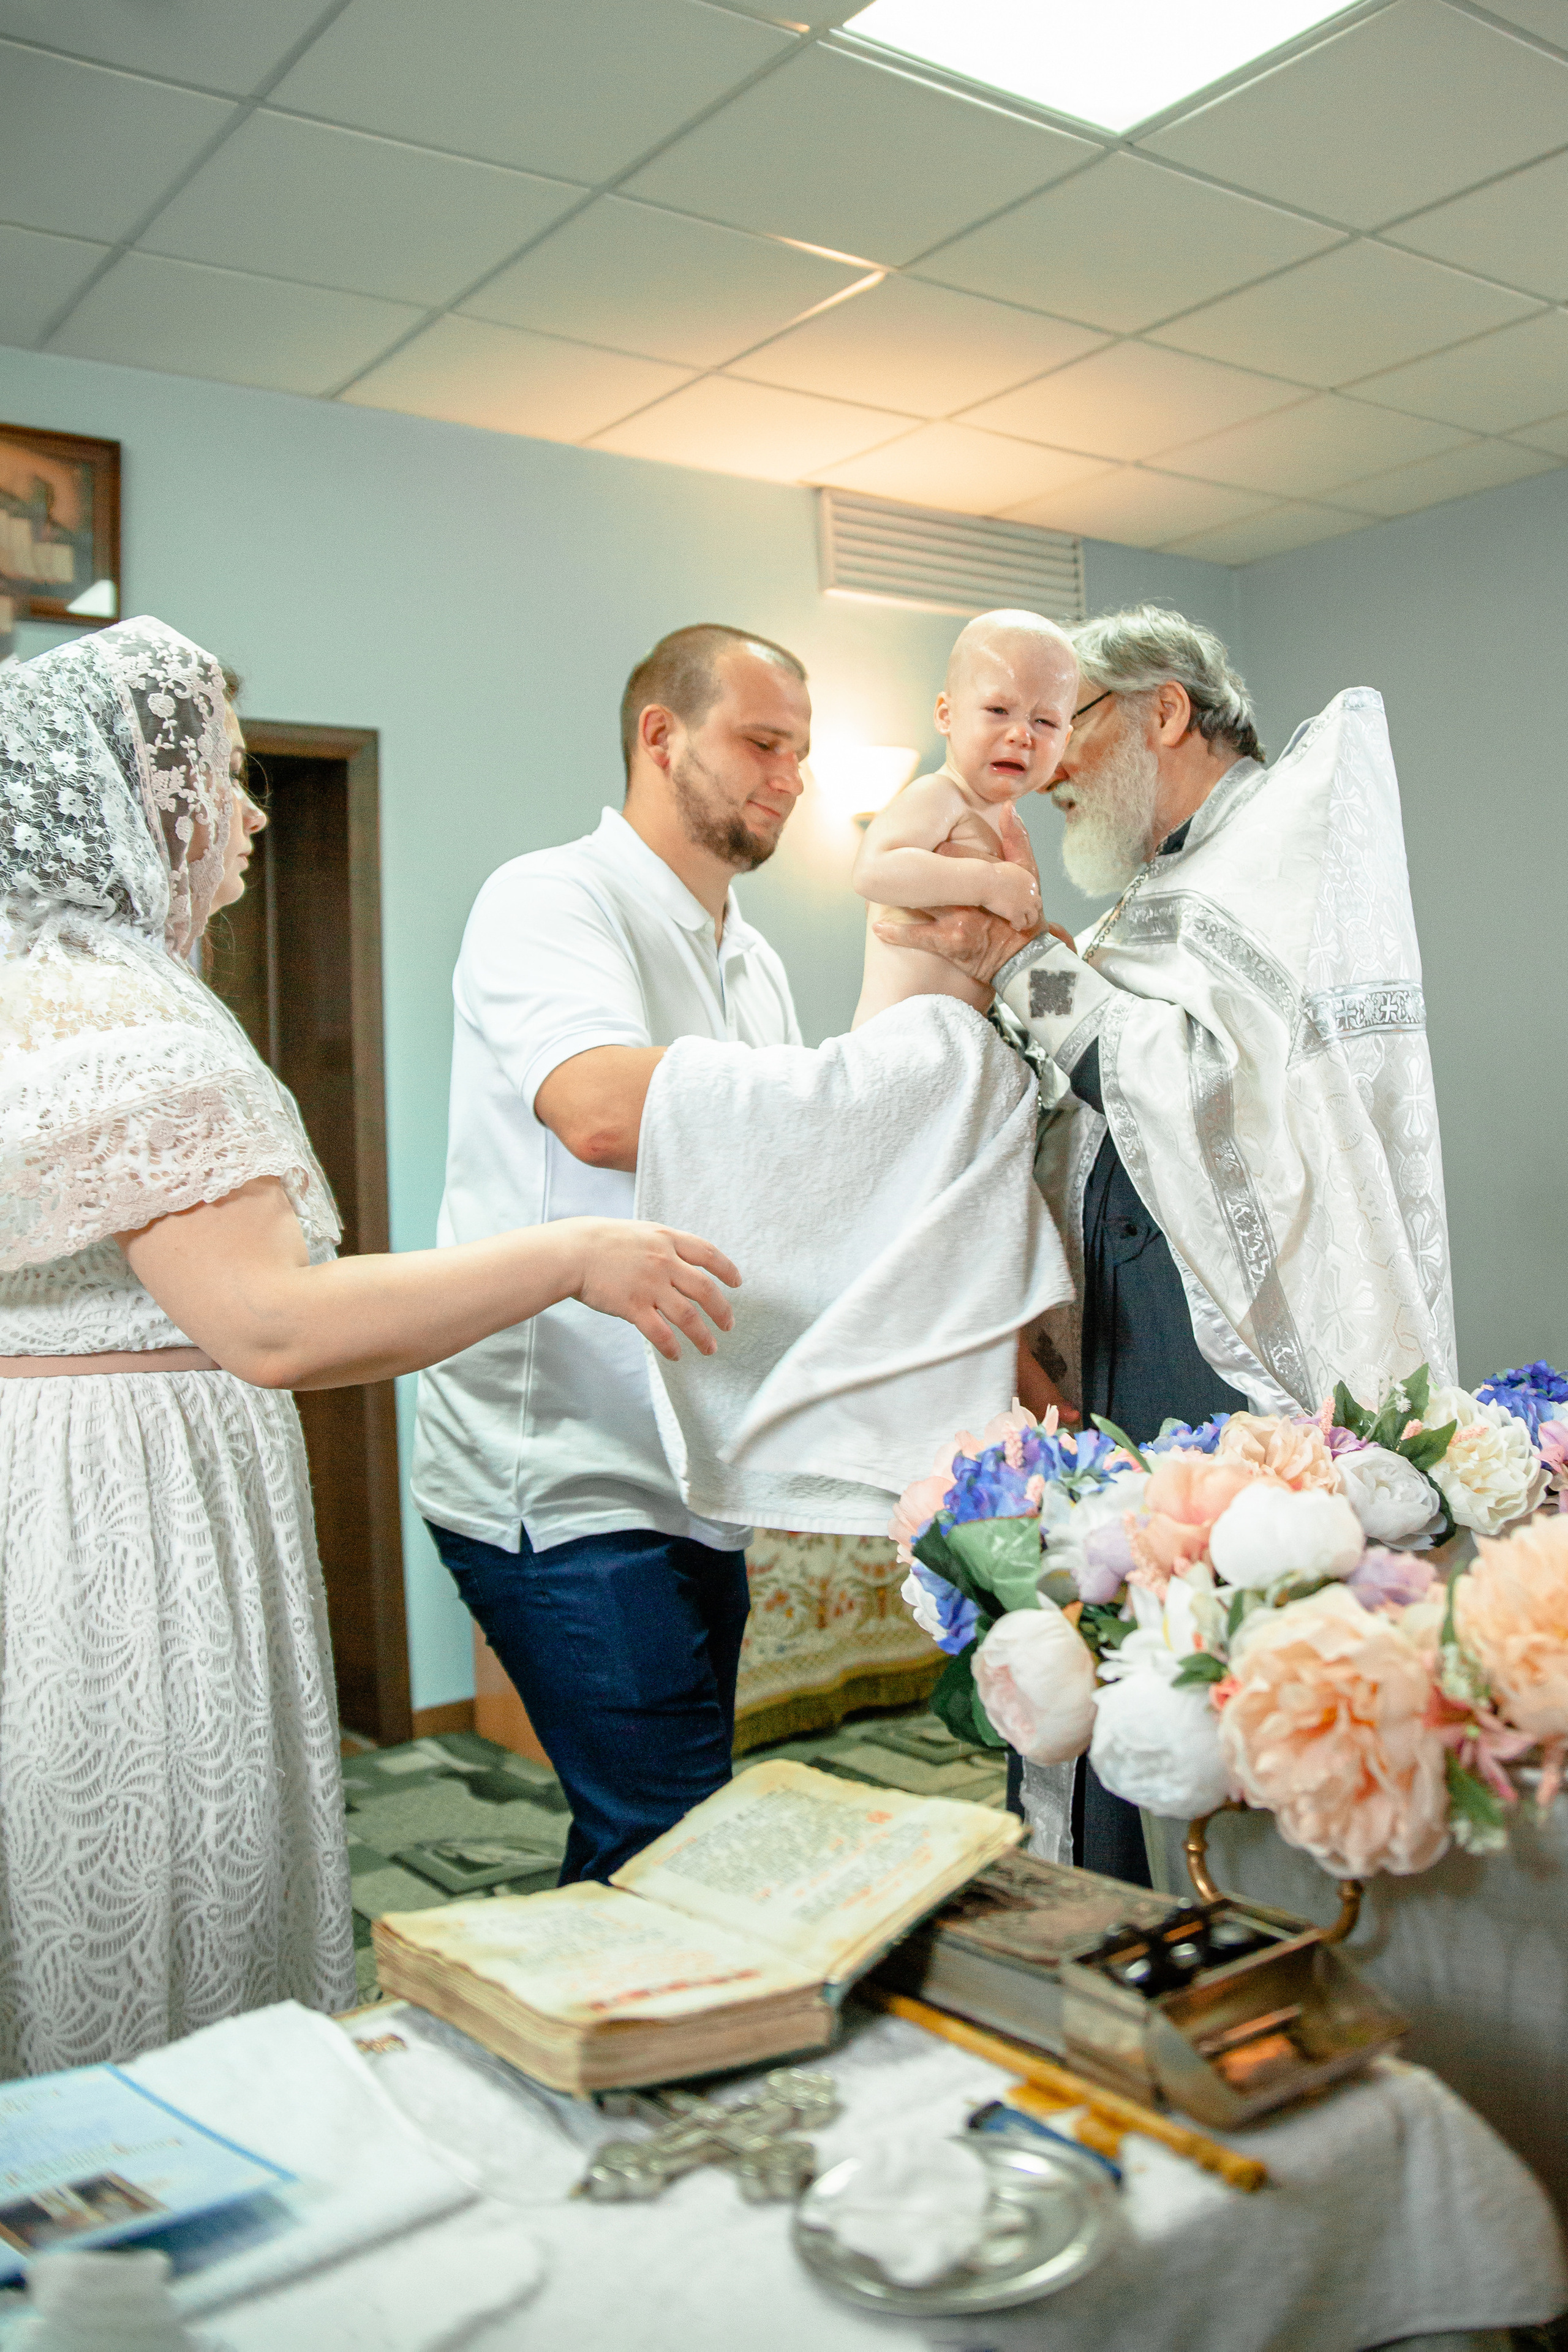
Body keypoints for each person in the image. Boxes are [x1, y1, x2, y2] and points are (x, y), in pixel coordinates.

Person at [0, 617, 737, 2073]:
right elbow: (270, 1321)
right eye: (224, 777)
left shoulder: (28, 993)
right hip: (130, 1518)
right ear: (143, 802)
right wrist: (569, 1257)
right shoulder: (124, 1015)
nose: (252, 814)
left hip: (48, 1487)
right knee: (158, 1870)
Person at [878, 603, 1454, 1882]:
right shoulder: (1157, 888)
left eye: (1065, 722)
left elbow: (1217, 1103)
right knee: (1114, 1655)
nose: (1048, 763)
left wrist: (1022, 965)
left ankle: (1229, 1923)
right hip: (1120, 1346)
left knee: (1209, 1678)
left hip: (1229, 1362)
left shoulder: (1268, 855)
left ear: (1166, 712)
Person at [412, 622, 810, 1885]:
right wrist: (851, 1093)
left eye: (799, 753)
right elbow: (596, 1109)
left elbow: (779, 1182)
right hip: (557, 1468)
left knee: (655, 1833)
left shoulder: (755, 963)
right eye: (763, 742)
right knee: (674, 1841)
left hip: (693, 1463)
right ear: (660, 735)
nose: (791, 778)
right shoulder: (551, 897)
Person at [850, 611, 1074, 1028]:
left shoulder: (1006, 825)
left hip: (958, 1041)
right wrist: (990, 883)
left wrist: (1044, 950)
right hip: (895, 1039)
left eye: (1045, 721)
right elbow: (871, 871)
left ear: (1066, 741)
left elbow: (1047, 1007)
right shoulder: (939, 794)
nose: (1021, 734)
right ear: (946, 715)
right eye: (998, 709)